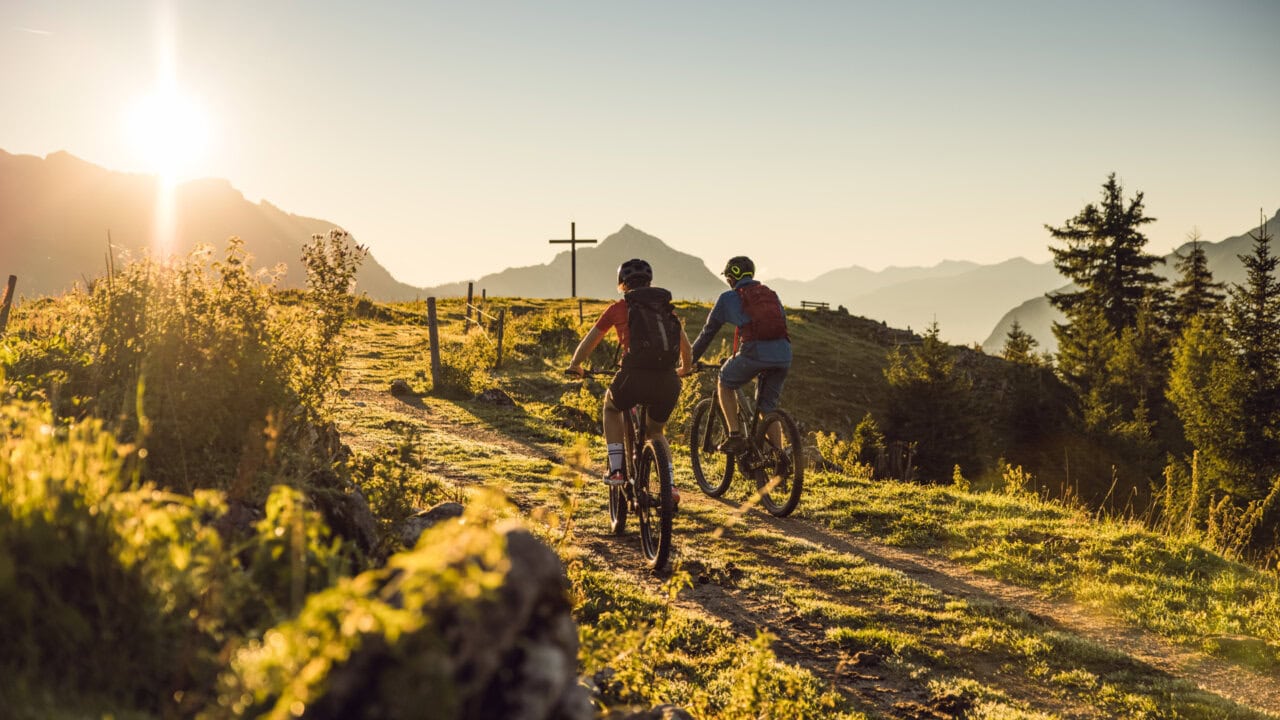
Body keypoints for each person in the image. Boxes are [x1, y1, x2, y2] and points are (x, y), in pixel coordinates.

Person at [567, 258, 693, 505]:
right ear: (649, 282)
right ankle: (670, 486)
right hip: (666, 381)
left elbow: (590, 342)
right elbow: (685, 348)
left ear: (622, 284)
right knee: (656, 431)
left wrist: (575, 365)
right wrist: (684, 370)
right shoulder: (665, 309)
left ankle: (616, 469)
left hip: (632, 377)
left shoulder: (618, 308)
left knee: (611, 407)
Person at [687, 256, 791, 454]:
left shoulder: (727, 298)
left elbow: (707, 333)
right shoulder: (770, 294)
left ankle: (734, 436)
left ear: (731, 278)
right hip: (784, 354)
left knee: (724, 381)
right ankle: (780, 458)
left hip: (754, 353)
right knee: (766, 409)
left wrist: (688, 362)